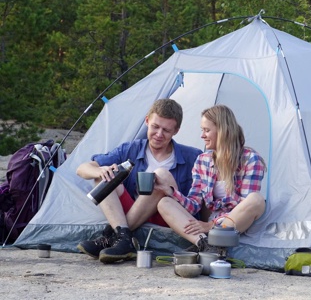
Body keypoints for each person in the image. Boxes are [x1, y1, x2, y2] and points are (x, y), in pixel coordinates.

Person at [76, 98, 202, 263]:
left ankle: (112, 236)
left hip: (167, 215)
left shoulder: (193, 156)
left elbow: (206, 195)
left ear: (176, 131)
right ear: (147, 121)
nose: (158, 134)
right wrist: (100, 170)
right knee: (103, 177)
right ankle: (123, 237)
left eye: (166, 130)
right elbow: (82, 168)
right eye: (155, 127)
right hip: (134, 211)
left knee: (161, 175)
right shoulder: (131, 149)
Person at [157, 104, 266, 253]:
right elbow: (194, 205)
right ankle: (205, 244)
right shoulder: (203, 160)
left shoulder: (250, 159)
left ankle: (215, 240)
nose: (202, 136)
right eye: (202, 130)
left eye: (207, 130)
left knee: (256, 200)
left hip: (234, 223)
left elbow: (242, 205)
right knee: (164, 203)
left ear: (223, 131)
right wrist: (170, 191)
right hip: (208, 226)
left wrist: (211, 225)